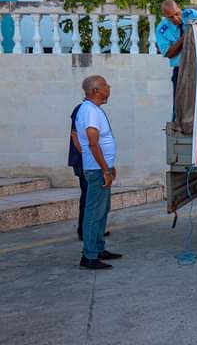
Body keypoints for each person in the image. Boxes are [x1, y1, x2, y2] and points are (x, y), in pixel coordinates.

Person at [75, 75, 122, 270]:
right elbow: (93, 143)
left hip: (101, 168)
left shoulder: (92, 110)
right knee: (94, 214)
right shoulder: (90, 112)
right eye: (105, 85)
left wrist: (110, 166)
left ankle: (98, 248)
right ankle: (89, 255)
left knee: (102, 212)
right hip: (97, 170)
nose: (108, 87)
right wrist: (105, 169)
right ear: (95, 90)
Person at [156, 0, 197, 119]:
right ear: (165, 16)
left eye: (176, 13)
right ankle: (177, 126)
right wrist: (184, 38)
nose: (175, 18)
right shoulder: (162, 28)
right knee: (179, 103)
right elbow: (168, 53)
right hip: (180, 68)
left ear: (179, 8)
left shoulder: (191, 14)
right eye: (170, 17)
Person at [69, 103, 110, 241]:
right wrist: (89, 157)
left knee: (96, 200)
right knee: (89, 199)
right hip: (86, 163)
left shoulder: (93, 110)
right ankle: (85, 232)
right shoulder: (83, 110)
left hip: (93, 163)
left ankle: (95, 233)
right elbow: (75, 136)